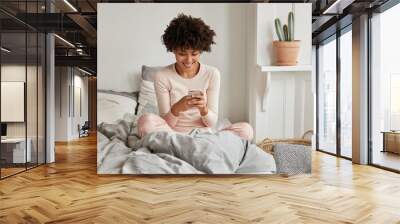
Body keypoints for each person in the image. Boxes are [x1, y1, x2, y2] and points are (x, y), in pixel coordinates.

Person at [137, 13, 253, 141]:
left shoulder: (212, 74)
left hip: (205, 136)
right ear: (173, 50)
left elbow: (212, 123)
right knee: (145, 122)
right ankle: (197, 149)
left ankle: (189, 149)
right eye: (182, 53)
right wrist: (177, 108)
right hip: (173, 136)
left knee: (246, 130)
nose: (188, 60)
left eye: (194, 53)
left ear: (201, 50)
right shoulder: (162, 76)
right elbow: (166, 123)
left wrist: (203, 109)